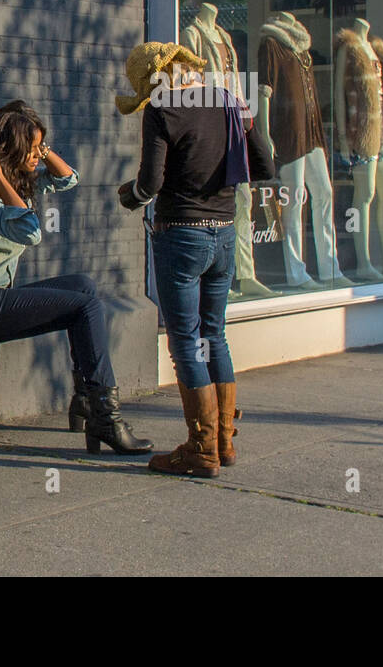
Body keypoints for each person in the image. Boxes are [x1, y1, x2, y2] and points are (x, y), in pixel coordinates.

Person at [0, 99, 151, 455]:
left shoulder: (15, 184)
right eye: (31, 149)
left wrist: (41, 149)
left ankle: (85, 400)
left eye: (40, 149)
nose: (37, 156)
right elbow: (31, 231)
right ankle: (106, 419)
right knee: (84, 307)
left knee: (83, 286)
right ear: (11, 150)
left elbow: (68, 180)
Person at [116, 43, 276, 476]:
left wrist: (128, 197)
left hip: (182, 237)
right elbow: (263, 167)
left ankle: (200, 449)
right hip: (225, 236)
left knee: (185, 340)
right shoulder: (226, 101)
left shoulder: (163, 110)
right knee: (214, 335)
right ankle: (222, 442)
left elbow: (151, 183)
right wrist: (249, 123)